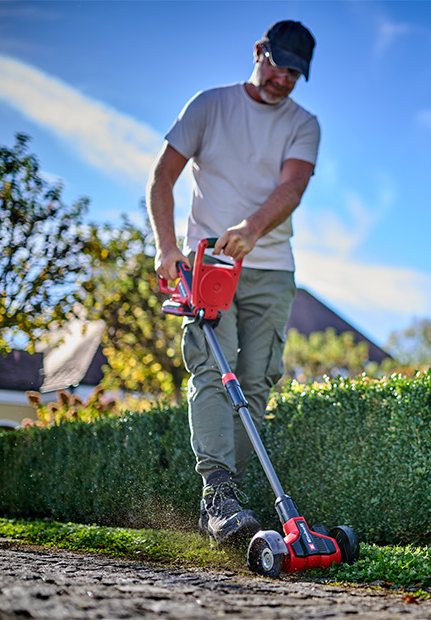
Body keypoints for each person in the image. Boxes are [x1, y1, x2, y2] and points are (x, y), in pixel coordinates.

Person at [146, 20, 319, 545]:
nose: (283, 79)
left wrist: (252, 228)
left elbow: (292, 186)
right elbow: (162, 178)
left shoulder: (304, 123)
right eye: (278, 65)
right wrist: (166, 246)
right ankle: (218, 494)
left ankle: (230, 501)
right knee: (210, 369)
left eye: (294, 73)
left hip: (270, 267)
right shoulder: (209, 105)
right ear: (258, 52)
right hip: (208, 263)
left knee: (257, 380)